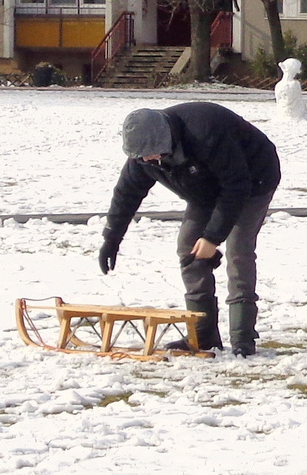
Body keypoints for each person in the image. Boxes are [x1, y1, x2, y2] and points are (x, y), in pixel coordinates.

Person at [97, 103, 281, 357]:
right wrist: (111, 239)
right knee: (188, 248)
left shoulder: (205, 133)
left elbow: (237, 187)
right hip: (204, 188)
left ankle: (243, 338)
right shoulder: (143, 156)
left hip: (253, 179)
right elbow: (127, 194)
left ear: (165, 140)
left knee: (238, 249)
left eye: (151, 154)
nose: (147, 161)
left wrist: (213, 238)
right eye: (141, 157)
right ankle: (203, 335)